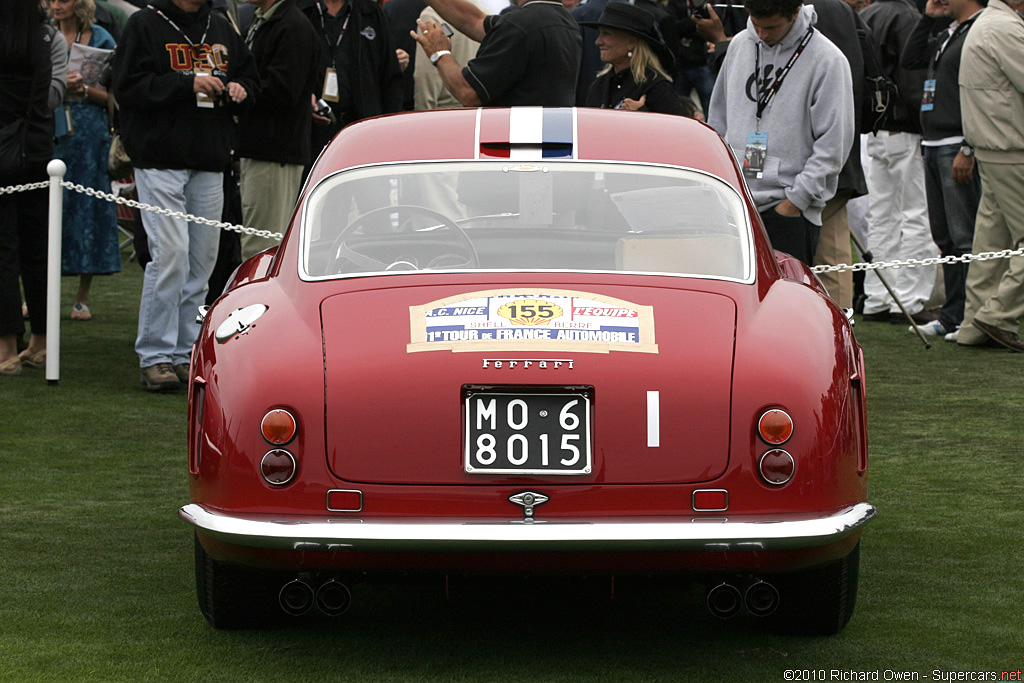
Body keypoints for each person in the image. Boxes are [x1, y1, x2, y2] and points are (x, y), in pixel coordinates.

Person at [111, 0, 260, 391]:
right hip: (159, 157)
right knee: (171, 254)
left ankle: (184, 351)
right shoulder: (145, 23)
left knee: (202, 261)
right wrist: (185, 83)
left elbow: (251, 77)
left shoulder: (221, 26)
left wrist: (241, 88)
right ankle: (155, 354)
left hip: (209, 157)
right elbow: (126, 86)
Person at [707, 0, 855, 266]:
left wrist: (794, 202)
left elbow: (834, 144)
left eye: (772, 27)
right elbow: (718, 118)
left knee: (784, 302)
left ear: (795, 13)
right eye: (756, 24)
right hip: (735, 206)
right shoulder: (740, 45)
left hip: (787, 209)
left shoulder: (827, 59)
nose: (763, 34)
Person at [900, 0, 984, 337]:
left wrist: (969, 145)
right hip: (933, 142)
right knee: (945, 237)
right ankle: (952, 315)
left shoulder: (978, 31)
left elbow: (979, 95)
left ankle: (968, 315)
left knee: (964, 237)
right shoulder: (950, 32)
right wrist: (927, 19)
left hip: (956, 143)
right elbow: (911, 60)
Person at [859, 0, 939, 325]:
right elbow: (912, 79)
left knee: (881, 217)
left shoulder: (867, 14)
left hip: (875, 132)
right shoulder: (907, 17)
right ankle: (908, 300)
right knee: (917, 215)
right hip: (904, 129)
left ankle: (879, 297)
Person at [953, 0, 1024, 351]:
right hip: (1011, 147)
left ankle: (974, 325)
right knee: (995, 244)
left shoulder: (989, 23)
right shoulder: (1005, 27)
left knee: (989, 246)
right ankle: (996, 315)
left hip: (993, 146)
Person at [50, 0, 121, 322]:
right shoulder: (42, 36)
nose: (55, 5)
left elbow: (117, 96)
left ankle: (82, 296)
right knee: (44, 210)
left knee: (87, 210)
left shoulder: (103, 38)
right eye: (50, 0)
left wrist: (86, 90)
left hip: (89, 135)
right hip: (49, 130)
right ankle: (32, 293)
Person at [236, 0, 320, 259]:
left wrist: (242, 90)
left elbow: (285, 91)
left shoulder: (292, 26)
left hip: (275, 150)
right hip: (261, 147)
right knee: (259, 238)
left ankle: (259, 299)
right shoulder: (263, 20)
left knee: (261, 246)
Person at [1, 0, 55, 375]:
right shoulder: (44, 35)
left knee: (3, 253)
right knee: (38, 252)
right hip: (37, 151)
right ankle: (40, 341)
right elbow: (49, 98)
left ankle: (5, 347)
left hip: (3, 154)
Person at [410, 0, 581, 107]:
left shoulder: (521, 25)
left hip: (512, 146)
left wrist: (439, 52)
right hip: (547, 141)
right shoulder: (562, 20)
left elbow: (468, 92)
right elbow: (474, 21)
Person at [299, 0, 404, 171]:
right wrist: (303, 100)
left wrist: (387, 130)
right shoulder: (301, 10)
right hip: (311, 133)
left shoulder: (370, 13)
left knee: (369, 194)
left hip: (362, 131)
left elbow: (390, 78)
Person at [581, 2, 687, 114]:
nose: (598, 42)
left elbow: (677, 128)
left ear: (631, 42)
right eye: (599, 34)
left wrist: (642, 114)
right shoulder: (599, 86)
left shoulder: (656, 87)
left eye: (607, 34)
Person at [413, 0, 486, 110]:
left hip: (444, 112)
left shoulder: (432, 15)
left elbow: (427, 76)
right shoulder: (485, 13)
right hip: (479, 110)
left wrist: (421, 114)